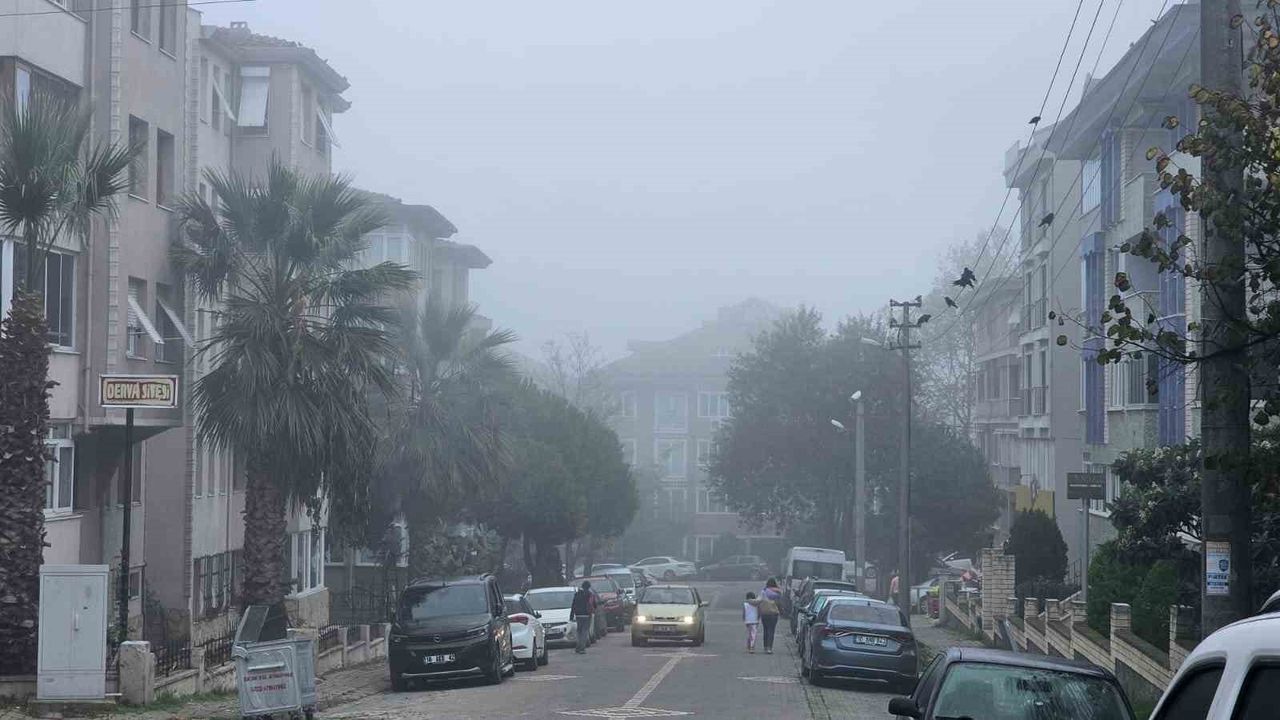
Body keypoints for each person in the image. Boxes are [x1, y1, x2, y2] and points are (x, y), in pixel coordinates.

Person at [756, 577, 783, 654]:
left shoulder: (763, 591)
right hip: (773, 614)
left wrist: (758, 613)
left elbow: (759, 602)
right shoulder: (778, 593)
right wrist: (781, 611)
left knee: (765, 630)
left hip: (764, 613)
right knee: (771, 630)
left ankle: (765, 647)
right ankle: (769, 648)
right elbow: (779, 603)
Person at [571, 580, 596, 654]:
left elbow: (573, 605)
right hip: (587, 615)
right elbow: (594, 604)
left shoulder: (577, 594)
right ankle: (582, 648)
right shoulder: (590, 594)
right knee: (585, 631)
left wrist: (571, 615)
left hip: (578, 615)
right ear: (589, 587)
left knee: (579, 631)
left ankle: (578, 646)